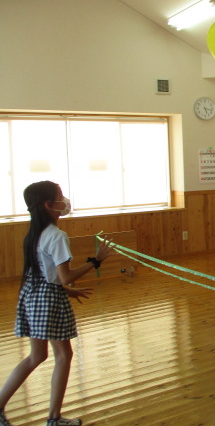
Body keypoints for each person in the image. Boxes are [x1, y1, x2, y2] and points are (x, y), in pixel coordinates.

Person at [0, 181, 115, 426]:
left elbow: (46, 274)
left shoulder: (35, 233)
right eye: (60, 197)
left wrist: (68, 291)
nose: (65, 201)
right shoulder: (56, 235)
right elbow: (64, 276)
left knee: (36, 356)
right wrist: (96, 261)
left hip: (33, 295)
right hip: (48, 299)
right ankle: (54, 418)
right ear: (48, 205)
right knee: (63, 355)